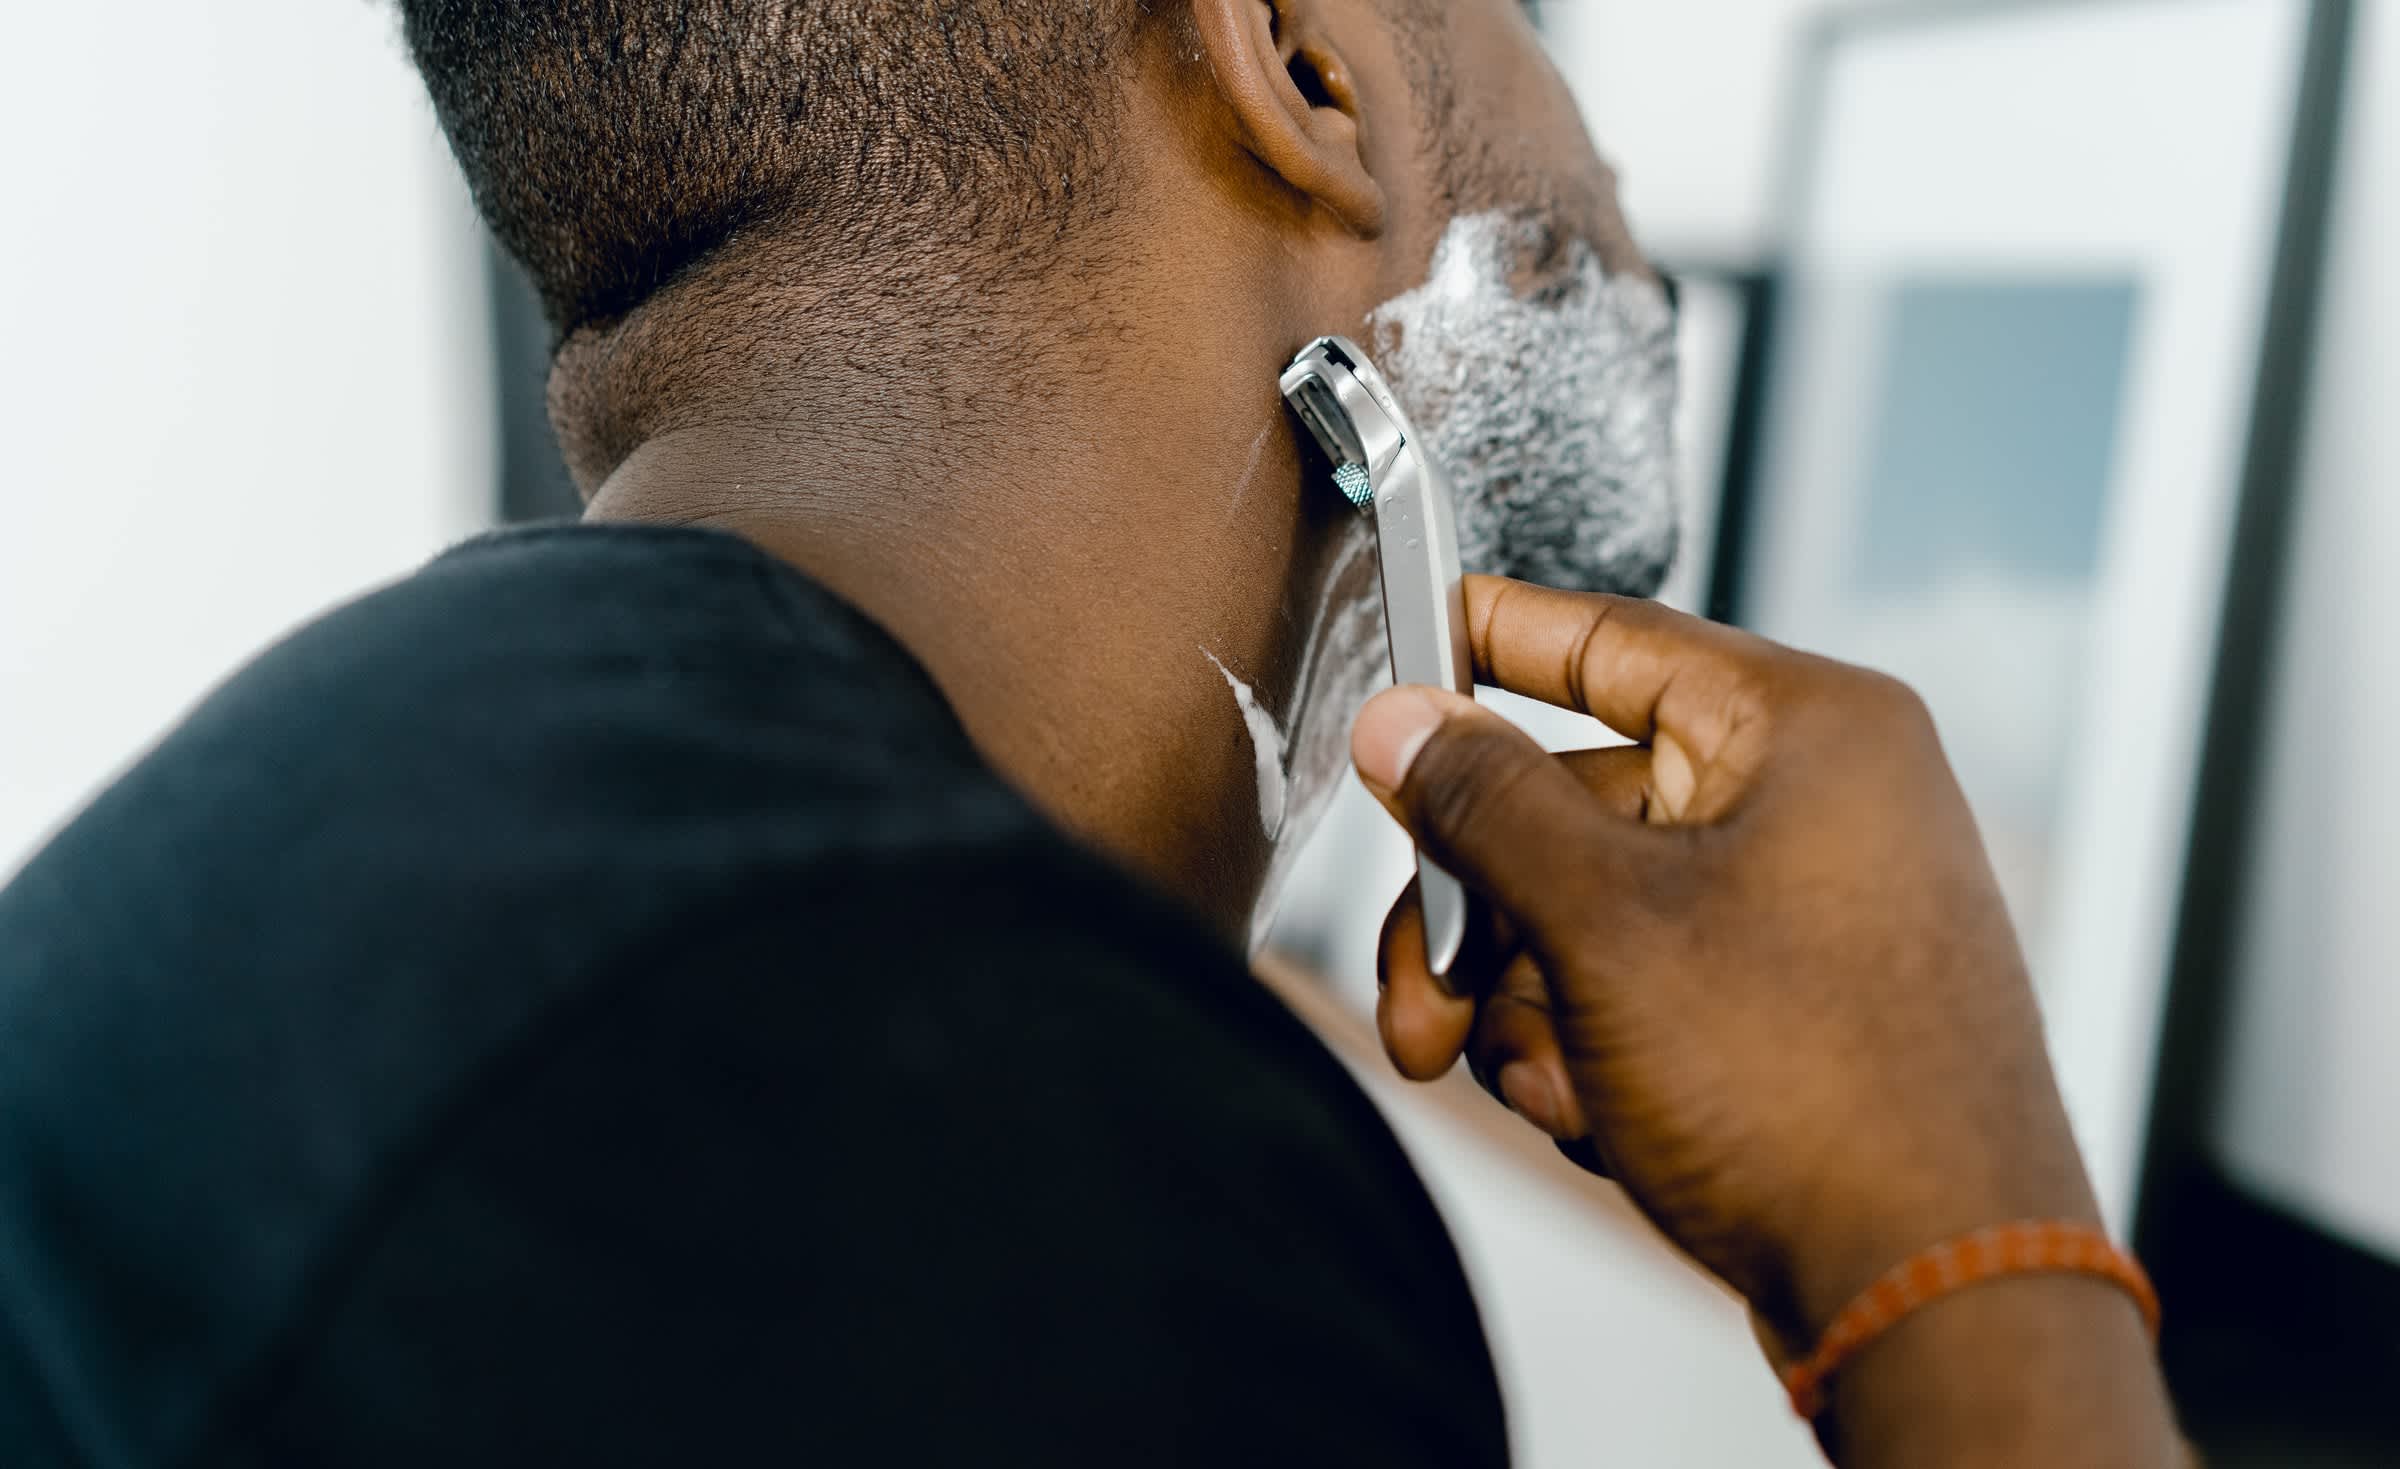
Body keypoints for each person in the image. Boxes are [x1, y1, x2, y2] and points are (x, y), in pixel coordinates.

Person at [0, 2, 2186, 1465]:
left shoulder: (392, 824)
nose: (1599, 140)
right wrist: (1971, 1275)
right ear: (1309, 67)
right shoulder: (991, 1162)